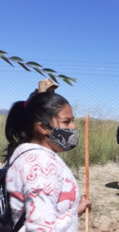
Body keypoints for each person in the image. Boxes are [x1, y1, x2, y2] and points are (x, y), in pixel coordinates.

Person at [4, 92, 92, 231]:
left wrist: (73, 212)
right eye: (66, 122)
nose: (73, 128)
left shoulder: (28, 155)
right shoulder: (42, 164)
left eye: (72, 121)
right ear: (42, 127)